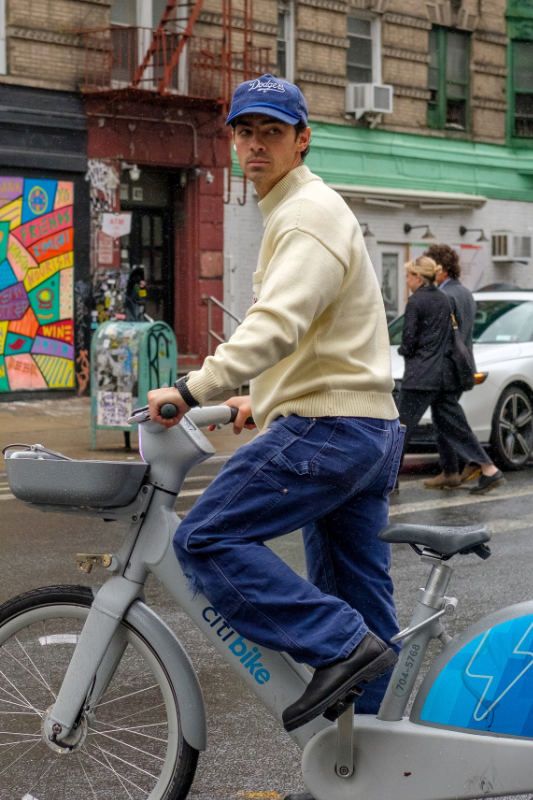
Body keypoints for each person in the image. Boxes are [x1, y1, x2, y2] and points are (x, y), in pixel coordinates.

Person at [147, 73, 403, 765]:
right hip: (360, 424)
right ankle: (377, 765)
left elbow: (280, 321)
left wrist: (190, 385)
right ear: (233, 140)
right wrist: (257, 395)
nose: (254, 144)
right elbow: (321, 332)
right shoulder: (298, 210)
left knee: (203, 539)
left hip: (330, 429)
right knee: (358, 601)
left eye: (270, 132)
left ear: (301, 140)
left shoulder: (307, 213)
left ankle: (338, 646)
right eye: (244, 131)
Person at [397, 256, 504, 495]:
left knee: (400, 427)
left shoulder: (416, 302)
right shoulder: (445, 300)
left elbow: (409, 341)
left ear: (417, 277)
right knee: (456, 426)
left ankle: (387, 480)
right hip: (443, 376)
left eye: (408, 276)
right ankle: (489, 470)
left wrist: (404, 350)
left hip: (420, 376)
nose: (406, 280)